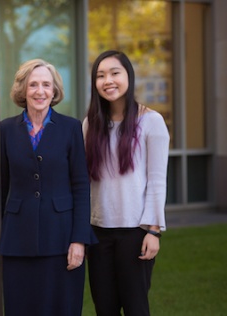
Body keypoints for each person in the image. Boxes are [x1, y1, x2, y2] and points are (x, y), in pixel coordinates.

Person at [0, 59, 96, 316]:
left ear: (54, 91)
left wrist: (79, 239)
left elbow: (81, 186)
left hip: (62, 238)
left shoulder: (71, 128)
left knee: (62, 308)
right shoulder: (5, 130)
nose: (39, 91)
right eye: (33, 84)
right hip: (17, 240)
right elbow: (0, 187)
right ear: (23, 90)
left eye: (46, 84)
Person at [83, 50, 170, 316]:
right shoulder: (90, 125)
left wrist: (153, 231)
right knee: (104, 308)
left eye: (114, 73)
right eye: (100, 75)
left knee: (136, 308)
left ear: (128, 77)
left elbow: (157, 181)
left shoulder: (151, 121)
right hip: (98, 233)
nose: (107, 80)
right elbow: (84, 182)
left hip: (136, 232)